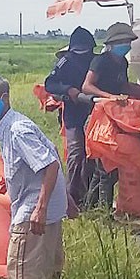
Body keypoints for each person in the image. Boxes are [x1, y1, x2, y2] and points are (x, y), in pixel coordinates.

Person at [0, 76, 67, 279]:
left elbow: (50, 164)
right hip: (44, 206)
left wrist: (40, 208)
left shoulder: (17, 130)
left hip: (33, 210)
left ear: (4, 98)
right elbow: (52, 151)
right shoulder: (12, 125)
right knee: (48, 272)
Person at [81, 22, 140, 208]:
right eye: (124, 42)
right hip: (100, 118)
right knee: (106, 168)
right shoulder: (101, 61)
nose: (127, 45)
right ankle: (102, 211)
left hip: (116, 118)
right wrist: (110, 97)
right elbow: (86, 86)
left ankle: (91, 209)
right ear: (114, 43)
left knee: (105, 169)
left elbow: (123, 85)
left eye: (129, 42)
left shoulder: (122, 62)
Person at [44, 26, 96, 206]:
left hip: (96, 114)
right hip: (73, 115)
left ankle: (88, 198)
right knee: (76, 155)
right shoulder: (66, 61)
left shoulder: (95, 61)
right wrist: (68, 90)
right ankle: (71, 199)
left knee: (93, 156)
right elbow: (50, 84)